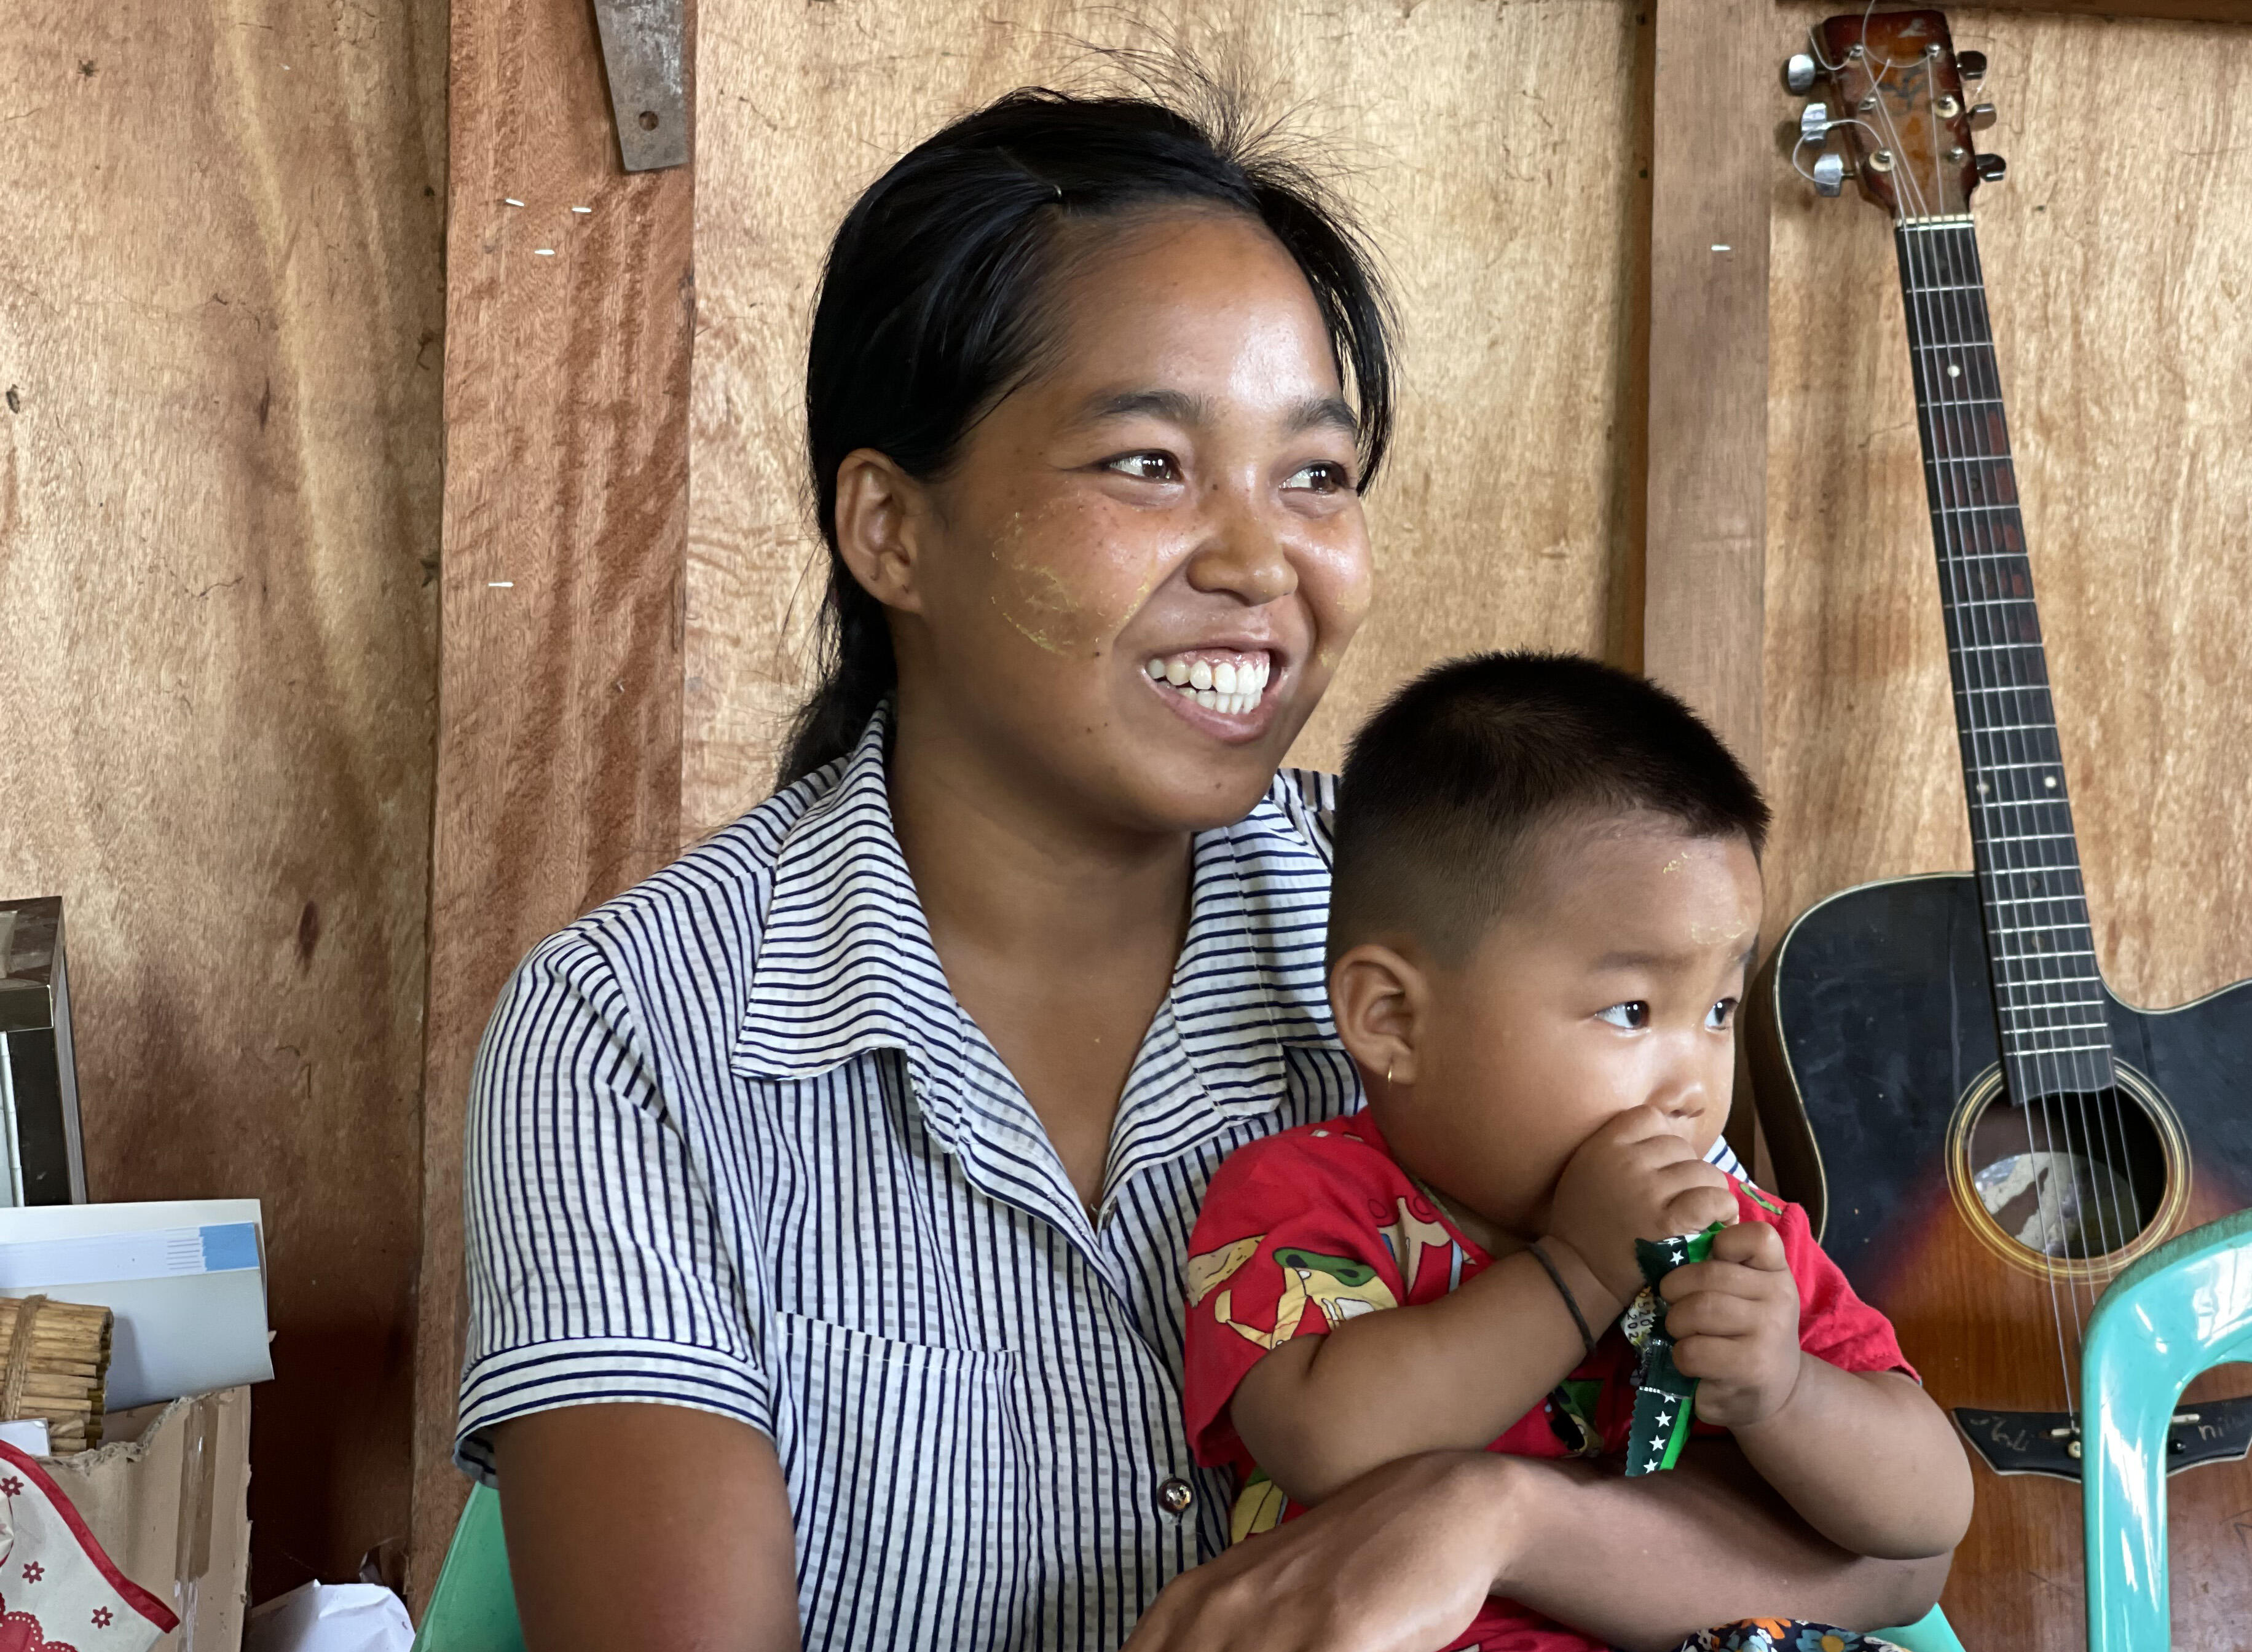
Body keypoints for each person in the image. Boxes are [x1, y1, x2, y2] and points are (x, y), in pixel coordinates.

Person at [456, 78, 1955, 1652]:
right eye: (1151, 464)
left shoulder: (1481, 922)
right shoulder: (636, 1033)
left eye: (1316, 477)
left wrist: (1490, 1513)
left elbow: (1878, 1552)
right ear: (891, 530)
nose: (1262, 563)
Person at [1177, 654, 1975, 1652]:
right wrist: (1578, 1272)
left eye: (1719, 1010)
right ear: (1393, 1020)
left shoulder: (1741, 1242)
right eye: (1633, 1011)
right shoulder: (1307, 1198)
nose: (1692, 1084)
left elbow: (1928, 1520)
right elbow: (1325, 1445)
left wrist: (1787, 1392)